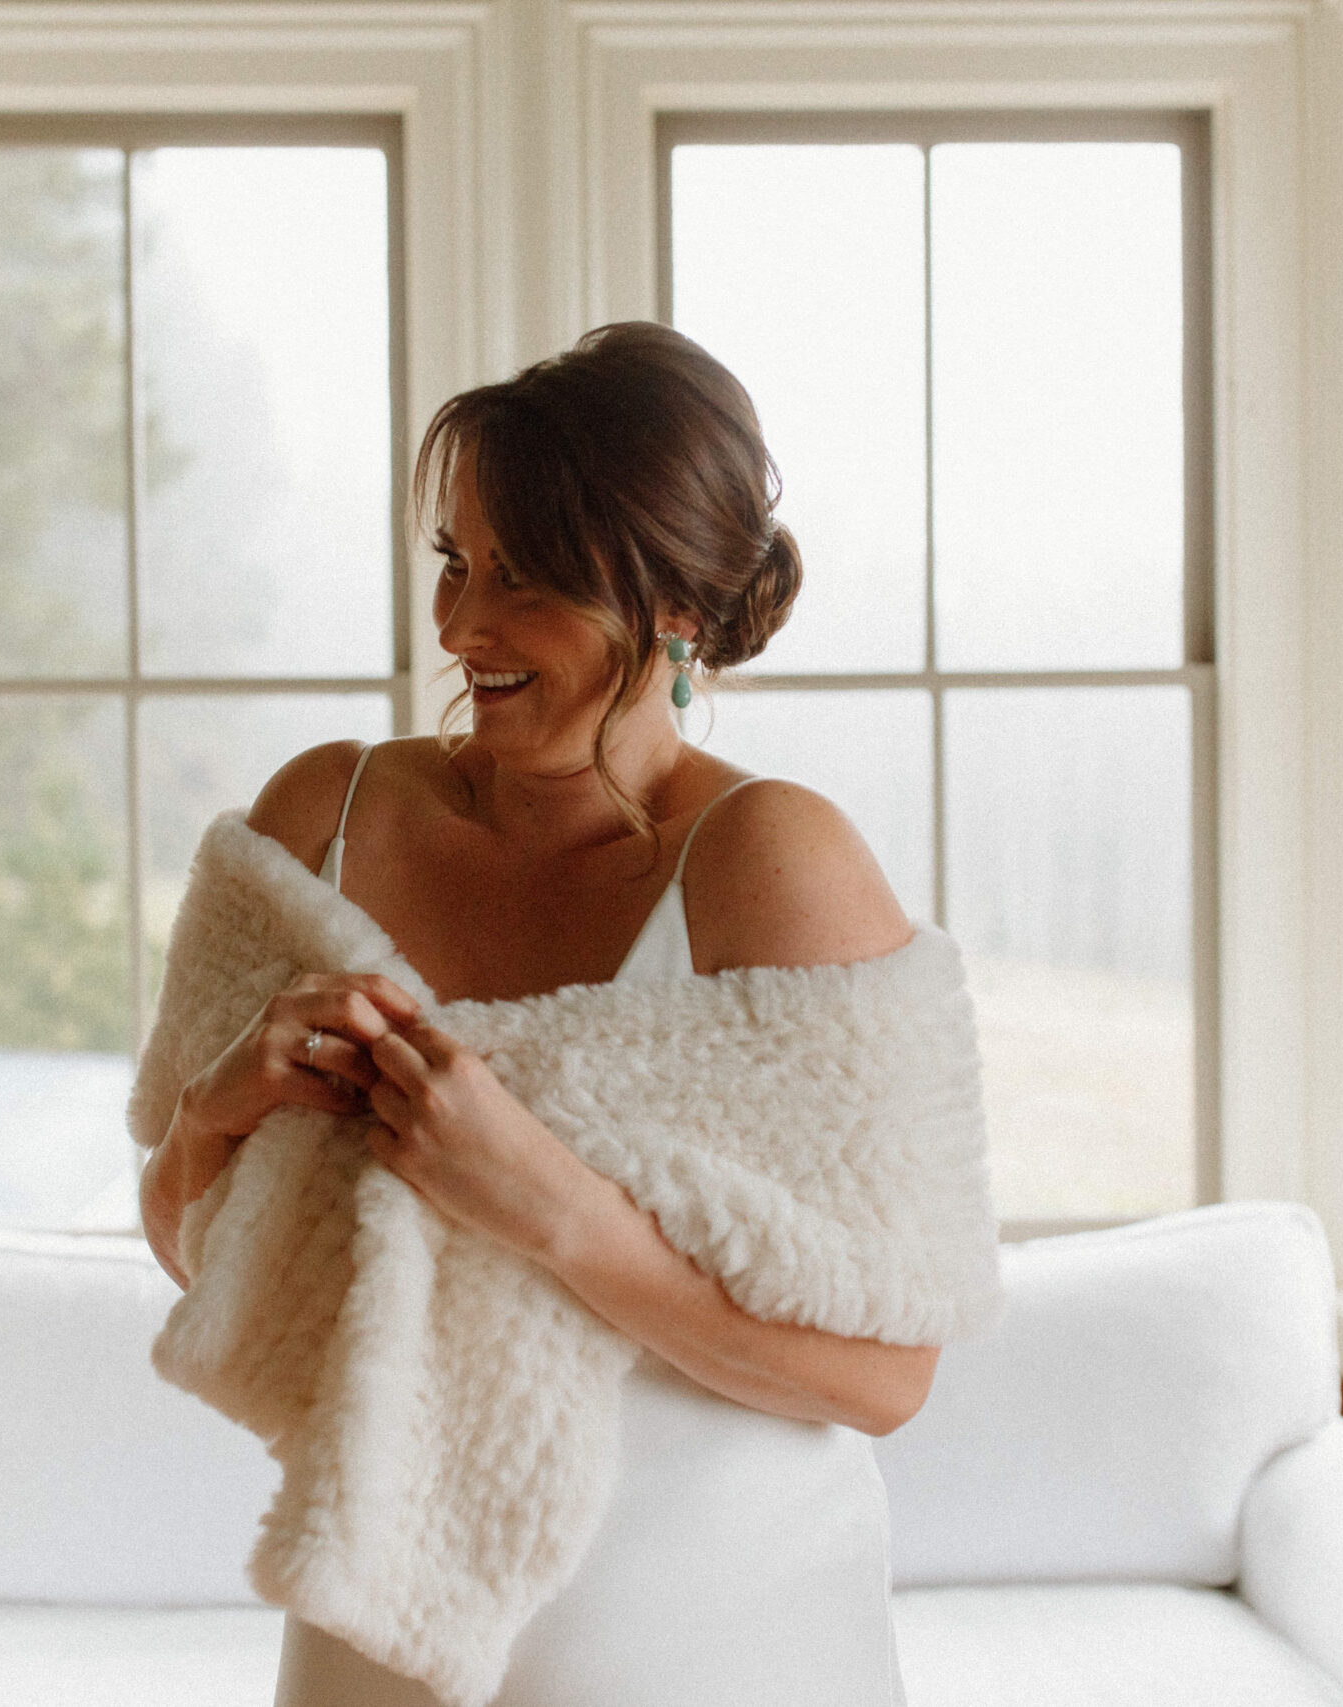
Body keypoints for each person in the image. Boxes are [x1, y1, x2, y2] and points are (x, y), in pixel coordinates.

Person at [138, 322, 941, 1706]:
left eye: (526, 579)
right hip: (378, 1622)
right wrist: (223, 1104)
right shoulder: (316, 821)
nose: (459, 629)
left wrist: (545, 1205)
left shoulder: (774, 862)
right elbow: (196, 1251)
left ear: (674, 603)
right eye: (456, 563)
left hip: (719, 1643)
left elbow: (885, 1376)